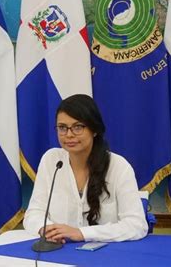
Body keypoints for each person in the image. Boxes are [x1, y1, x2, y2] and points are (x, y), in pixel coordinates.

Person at [24, 94, 148, 243]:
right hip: (60, 252)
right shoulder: (51, 160)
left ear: (94, 130)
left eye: (78, 127)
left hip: (106, 256)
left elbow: (136, 225)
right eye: (62, 128)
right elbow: (33, 214)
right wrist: (51, 231)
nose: (69, 135)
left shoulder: (119, 167)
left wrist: (82, 233)